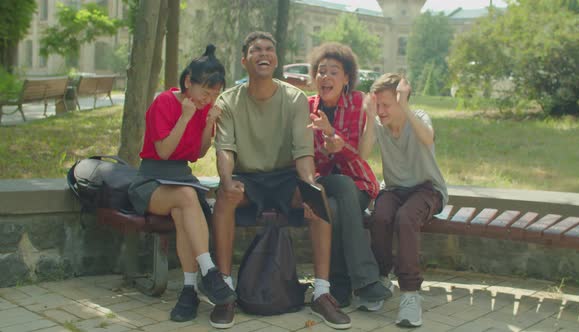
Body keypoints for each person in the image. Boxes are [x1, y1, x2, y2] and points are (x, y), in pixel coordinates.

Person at [211, 31, 351, 330]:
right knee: (224, 196)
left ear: (275, 58)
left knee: (318, 195)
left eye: (269, 49)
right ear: (244, 60)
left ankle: (322, 292)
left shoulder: (295, 99)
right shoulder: (228, 101)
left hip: (285, 177)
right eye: (256, 50)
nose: (264, 53)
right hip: (248, 177)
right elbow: (225, 150)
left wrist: (309, 187)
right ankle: (224, 292)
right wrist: (226, 181)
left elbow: (303, 153)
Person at [127, 45, 236, 324]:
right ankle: (209, 271)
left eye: (215, 94)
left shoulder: (204, 109)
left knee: (183, 209)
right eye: (205, 92)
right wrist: (186, 116)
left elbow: (197, 154)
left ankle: (189, 289)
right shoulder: (163, 103)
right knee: (187, 196)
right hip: (151, 181)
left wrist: (208, 125)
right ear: (189, 81)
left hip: (180, 180)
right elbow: (163, 151)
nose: (209, 99)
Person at [306, 42, 392, 311]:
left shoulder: (356, 102)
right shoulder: (307, 107)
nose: (326, 77)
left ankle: (339, 287)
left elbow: (359, 155)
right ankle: (366, 280)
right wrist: (326, 144)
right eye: (321, 71)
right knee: (335, 190)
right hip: (323, 181)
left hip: (357, 182)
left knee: (333, 208)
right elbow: (307, 157)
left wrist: (336, 141)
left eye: (334, 72)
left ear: (346, 79)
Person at [359, 73, 448, 328]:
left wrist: (405, 106)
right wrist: (368, 117)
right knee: (380, 216)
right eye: (378, 105)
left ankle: (410, 294)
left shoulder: (418, 118)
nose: (382, 111)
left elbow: (428, 138)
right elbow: (362, 154)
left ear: (401, 101)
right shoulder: (377, 123)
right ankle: (381, 279)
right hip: (395, 189)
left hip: (427, 189)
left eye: (387, 104)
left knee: (406, 218)